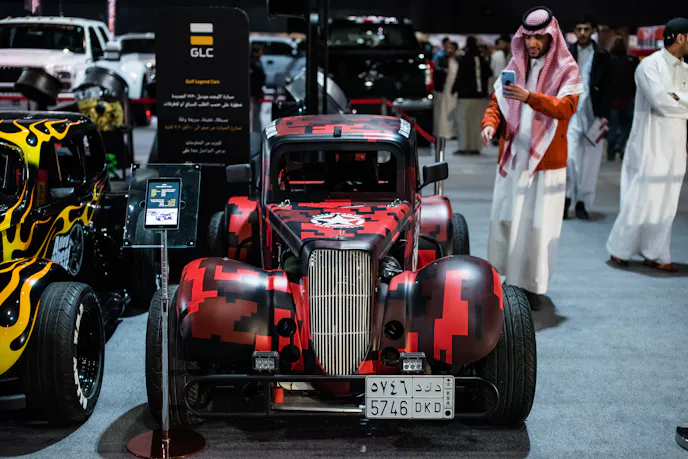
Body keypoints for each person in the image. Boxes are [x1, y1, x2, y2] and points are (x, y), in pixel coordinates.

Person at [481, 6, 583, 306]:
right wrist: (489, 124)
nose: (532, 43)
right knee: (508, 218)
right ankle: (508, 281)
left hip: (546, 163)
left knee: (538, 226)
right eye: (528, 37)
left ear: (551, 37)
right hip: (514, 156)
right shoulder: (515, 64)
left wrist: (530, 97)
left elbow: (566, 108)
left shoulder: (566, 69)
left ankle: (533, 286)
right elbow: (497, 103)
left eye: (538, 37)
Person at [606, 17, 688, 273]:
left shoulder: (686, 69)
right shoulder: (649, 66)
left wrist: (676, 97)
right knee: (640, 197)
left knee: (667, 201)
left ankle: (657, 253)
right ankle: (620, 249)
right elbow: (660, 102)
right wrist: (680, 100)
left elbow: (670, 101)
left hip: (676, 144)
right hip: (649, 143)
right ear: (681, 37)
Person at [564, 15, 612, 220]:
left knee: (590, 162)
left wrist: (605, 115)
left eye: (586, 29)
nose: (582, 33)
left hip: (595, 114)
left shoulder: (603, 55)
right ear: (574, 31)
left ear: (593, 31)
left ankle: (582, 202)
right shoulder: (566, 53)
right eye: (579, 29)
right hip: (570, 113)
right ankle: (566, 198)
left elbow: (609, 87)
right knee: (569, 158)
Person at [454, 36, 492, 155]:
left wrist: (454, 89)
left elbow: (460, 76)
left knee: (463, 122)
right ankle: (475, 147)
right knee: (476, 122)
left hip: (464, 96)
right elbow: (489, 74)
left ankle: (464, 147)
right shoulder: (482, 59)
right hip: (480, 97)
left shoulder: (464, 59)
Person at [607, 36, 639, 161]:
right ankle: (620, 144)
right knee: (628, 125)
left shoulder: (609, 61)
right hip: (628, 100)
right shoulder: (631, 61)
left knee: (613, 126)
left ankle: (610, 152)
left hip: (613, 100)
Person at [433, 41, 459, 139]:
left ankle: (454, 132)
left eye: (451, 48)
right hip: (444, 89)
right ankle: (443, 133)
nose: (449, 50)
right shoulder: (441, 59)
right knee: (443, 112)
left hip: (455, 90)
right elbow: (436, 73)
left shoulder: (458, 60)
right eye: (447, 48)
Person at [249, 44, 266, 133]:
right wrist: (252, 93)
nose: (261, 54)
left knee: (256, 114)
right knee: (255, 114)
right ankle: (256, 132)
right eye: (260, 52)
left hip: (257, 92)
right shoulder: (253, 63)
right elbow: (254, 81)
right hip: (255, 93)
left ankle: (257, 131)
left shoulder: (257, 62)